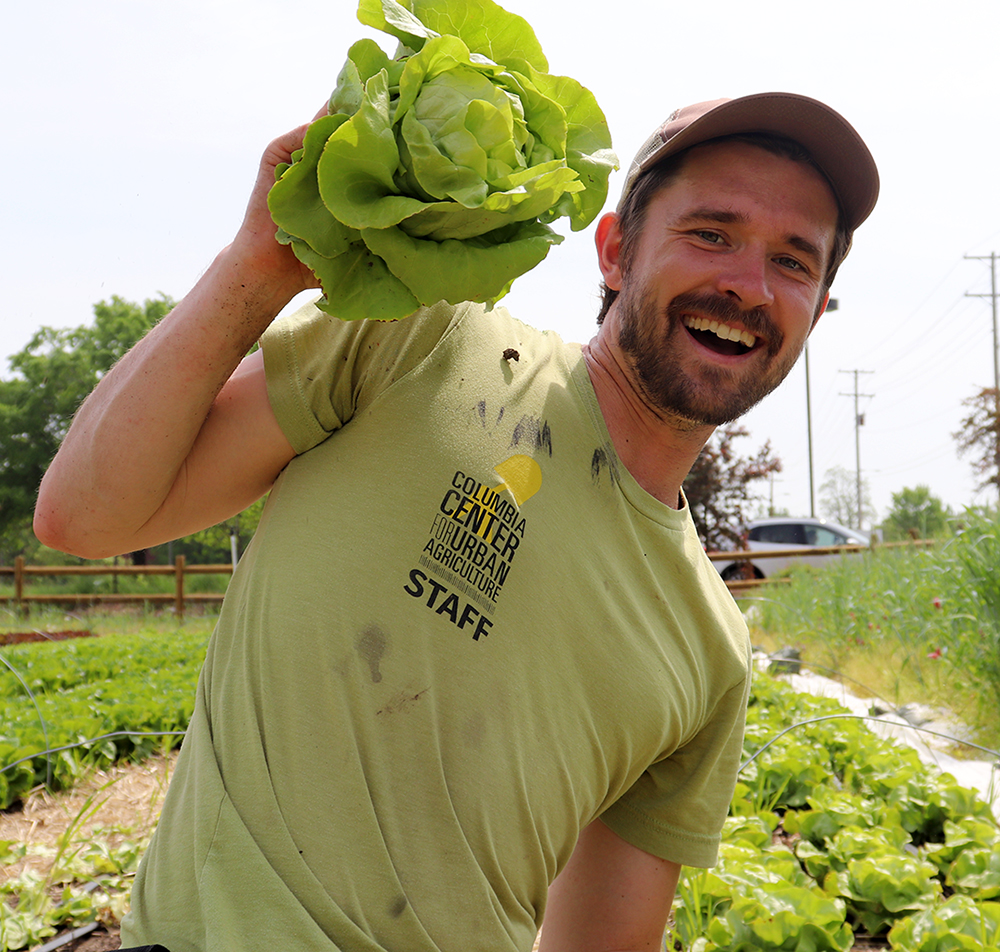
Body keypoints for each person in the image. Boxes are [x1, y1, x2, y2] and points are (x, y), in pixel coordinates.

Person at [34, 91, 878, 952]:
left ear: (814, 310)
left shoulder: (711, 653)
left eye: (794, 262)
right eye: (711, 233)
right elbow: (85, 515)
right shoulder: (419, 343)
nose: (746, 284)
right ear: (617, 251)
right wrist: (257, 267)